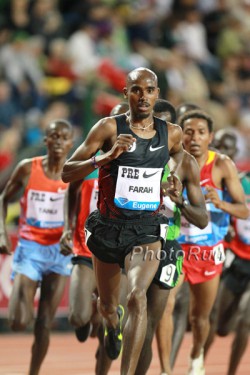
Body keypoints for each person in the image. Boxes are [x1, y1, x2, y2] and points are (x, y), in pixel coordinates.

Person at [62, 67, 184, 374]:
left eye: (150, 90)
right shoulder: (107, 128)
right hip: (107, 228)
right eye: (136, 90)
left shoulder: (171, 132)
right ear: (125, 93)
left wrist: (176, 178)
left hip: (146, 230)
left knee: (136, 296)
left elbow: (181, 156)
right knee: (107, 305)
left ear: (157, 94)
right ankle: (110, 321)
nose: (143, 97)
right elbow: (67, 172)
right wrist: (103, 158)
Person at [134, 100, 208, 375]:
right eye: (155, 125)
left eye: (166, 126)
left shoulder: (185, 164)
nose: (159, 132)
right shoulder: (133, 153)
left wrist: (181, 202)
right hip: (132, 238)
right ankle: (109, 315)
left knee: (150, 323)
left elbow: (202, 219)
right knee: (128, 308)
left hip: (166, 245)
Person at [174, 109, 248, 375]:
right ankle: (165, 368)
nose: (194, 138)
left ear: (210, 137)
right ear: (180, 135)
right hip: (176, 248)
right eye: (188, 132)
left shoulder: (222, 165)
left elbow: (244, 210)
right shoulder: (170, 162)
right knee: (166, 303)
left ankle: (196, 357)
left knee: (200, 317)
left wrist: (221, 203)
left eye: (200, 132)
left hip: (208, 251)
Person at [60, 102, 129, 375]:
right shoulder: (91, 156)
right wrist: (67, 226)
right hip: (84, 242)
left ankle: (111, 325)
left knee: (109, 316)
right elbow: (71, 189)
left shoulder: (138, 160)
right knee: (77, 317)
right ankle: (92, 309)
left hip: (118, 244)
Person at [0, 119, 74, 375]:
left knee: (44, 322)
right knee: (19, 322)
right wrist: (1, 232)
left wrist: (71, 232)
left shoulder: (74, 174)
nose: (58, 142)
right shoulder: (27, 168)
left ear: (71, 143)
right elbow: (3, 198)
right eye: (53, 136)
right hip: (30, 247)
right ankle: (21, 296)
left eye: (64, 138)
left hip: (59, 252)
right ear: (46, 141)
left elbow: (82, 208)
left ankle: (33, 372)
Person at [204, 129, 250, 375]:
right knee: (220, 326)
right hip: (237, 260)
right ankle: (198, 364)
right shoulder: (239, 180)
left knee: (246, 320)